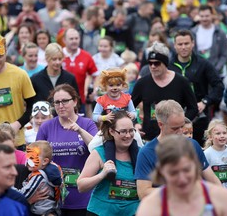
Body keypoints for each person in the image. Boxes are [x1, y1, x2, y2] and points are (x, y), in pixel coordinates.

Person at [135, 100, 220, 200]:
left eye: (182, 126)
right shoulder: (147, 153)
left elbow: (214, 181)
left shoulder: (192, 145)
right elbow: (143, 193)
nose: (181, 132)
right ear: (160, 125)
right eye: (175, 128)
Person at [136, 135, 227, 216]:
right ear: (161, 172)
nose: (182, 179)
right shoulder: (150, 207)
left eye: (186, 170)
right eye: (173, 173)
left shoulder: (221, 198)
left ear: (196, 165)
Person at [36, 84, 97, 216]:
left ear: (75, 101)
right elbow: (36, 158)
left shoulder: (87, 124)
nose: (60, 105)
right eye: (57, 102)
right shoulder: (46, 127)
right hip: (55, 197)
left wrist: (80, 130)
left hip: (83, 196)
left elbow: (97, 150)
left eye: (65, 101)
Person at [77, 111, 140, 216]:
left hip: (133, 212)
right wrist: (102, 174)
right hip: (101, 212)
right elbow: (81, 186)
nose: (128, 135)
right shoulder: (99, 153)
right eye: (123, 131)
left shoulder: (141, 153)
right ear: (111, 131)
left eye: (131, 131)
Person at [132, 42, 198, 141]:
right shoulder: (142, 83)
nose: (153, 66)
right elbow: (129, 107)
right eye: (150, 63)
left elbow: (193, 108)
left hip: (175, 139)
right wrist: (135, 124)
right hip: (149, 138)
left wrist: (179, 124)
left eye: (157, 63)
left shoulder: (181, 82)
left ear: (165, 63)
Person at [169, 29, 224, 144]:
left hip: (199, 116)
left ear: (193, 43)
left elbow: (218, 86)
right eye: (180, 44)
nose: (183, 47)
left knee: (199, 150)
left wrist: (205, 102)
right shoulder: (169, 65)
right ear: (175, 45)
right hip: (174, 117)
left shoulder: (203, 63)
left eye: (186, 43)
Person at [17, 141, 63, 216]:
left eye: (32, 157)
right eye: (27, 156)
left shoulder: (39, 177)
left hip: (42, 212)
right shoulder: (52, 170)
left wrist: (10, 190)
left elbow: (24, 194)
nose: (28, 161)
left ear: (45, 161)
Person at [62, 28, 98, 115]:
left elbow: (95, 75)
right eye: (71, 39)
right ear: (64, 40)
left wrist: (95, 90)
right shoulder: (59, 55)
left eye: (76, 38)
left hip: (80, 101)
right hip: (60, 101)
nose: (74, 41)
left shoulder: (86, 56)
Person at [191, 4, 227, 77]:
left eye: (207, 16)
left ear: (212, 15)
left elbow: (224, 54)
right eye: (202, 16)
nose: (204, 19)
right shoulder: (193, 32)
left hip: (215, 72)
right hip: (198, 72)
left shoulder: (220, 33)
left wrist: (217, 68)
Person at [203, 119, 227, 188]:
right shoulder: (207, 153)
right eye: (218, 133)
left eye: (224, 133)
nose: (222, 136)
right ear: (210, 137)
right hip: (214, 188)